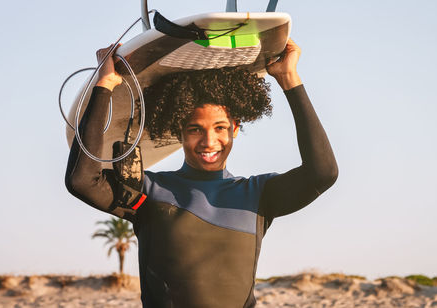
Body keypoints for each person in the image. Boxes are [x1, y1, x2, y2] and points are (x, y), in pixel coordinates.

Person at [65, 39, 338, 308]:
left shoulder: (258, 195)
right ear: (178, 132)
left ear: (235, 129)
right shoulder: (148, 192)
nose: (209, 142)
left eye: (220, 128)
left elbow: (322, 172)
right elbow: (82, 181)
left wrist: (289, 79)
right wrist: (105, 86)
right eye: (195, 129)